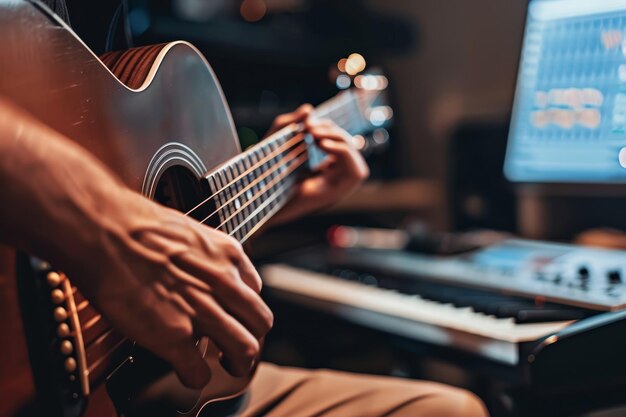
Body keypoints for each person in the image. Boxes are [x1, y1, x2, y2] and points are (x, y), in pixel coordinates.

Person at [0, 1, 489, 416]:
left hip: (133, 382)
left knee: (448, 409)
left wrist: (276, 195)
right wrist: (99, 225)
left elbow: (130, 179)